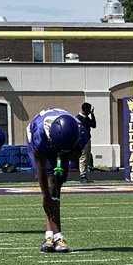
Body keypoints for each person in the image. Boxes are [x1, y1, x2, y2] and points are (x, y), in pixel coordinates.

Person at [26, 108, 89, 253]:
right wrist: (45, 196)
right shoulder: (39, 134)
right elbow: (41, 168)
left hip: (62, 140)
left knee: (57, 187)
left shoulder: (81, 131)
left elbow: (77, 156)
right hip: (41, 140)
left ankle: (49, 236)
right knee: (50, 186)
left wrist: (70, 153)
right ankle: (58, 237)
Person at [77, 101, 97, 182]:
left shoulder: (87, 117)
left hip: (87, 139)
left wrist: (92, 115)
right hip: (82, 140)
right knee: (83, 157)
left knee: (87, 157)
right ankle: (83, 176)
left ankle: (85, 175)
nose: (89, 112)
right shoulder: (78, 118)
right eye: (89, 111)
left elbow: (94, 125)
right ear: (85, 110)